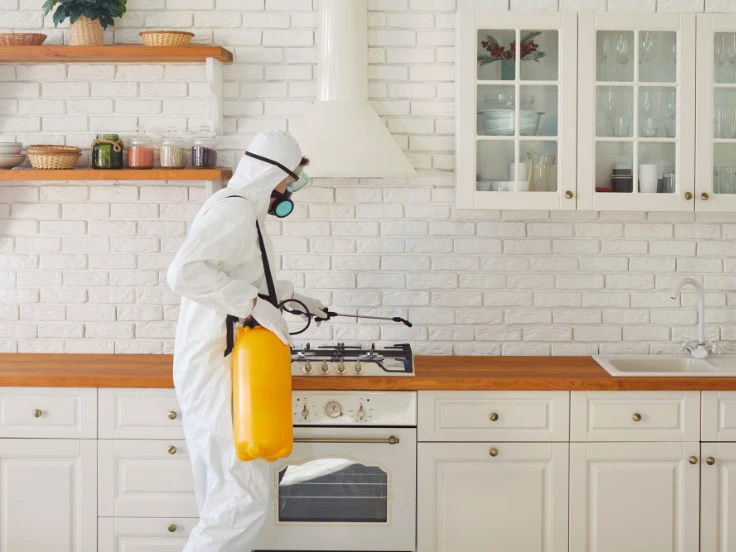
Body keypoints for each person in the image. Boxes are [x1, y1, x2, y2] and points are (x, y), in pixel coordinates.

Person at [167, 130, 329, 551]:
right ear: (272, 174)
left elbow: (242, 277)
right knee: (244, 496)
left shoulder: (243, 212)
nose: (290, 189)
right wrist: (254, 304)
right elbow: (185, 273)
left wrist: (291, 298)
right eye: (291, 179)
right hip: (218, 369)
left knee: (224, 496)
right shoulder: (234, 212)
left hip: (225, 367)